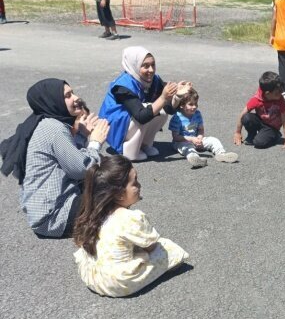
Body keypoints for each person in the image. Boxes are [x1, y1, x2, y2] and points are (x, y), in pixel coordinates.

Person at [0, 79, 109, 238]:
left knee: (107, 175)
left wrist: (80, 135)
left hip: (43, 212)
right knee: (116, 190)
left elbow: (69, 158)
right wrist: (95, 142)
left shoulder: (45, 123)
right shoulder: (54, 129)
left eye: (73, 93)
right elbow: (81, 169)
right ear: (53, 100)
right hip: (54, 216)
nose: (76, 98)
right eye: (68, 95)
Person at [73, 156, 189, 297]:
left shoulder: (95, 212)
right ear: (119, 194)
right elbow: (151, 246)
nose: (139, 186)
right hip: (117, 282)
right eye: (135, 183)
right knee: (168, 248)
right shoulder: (130, 218)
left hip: (93, 277)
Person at [99, 46, 180, 162]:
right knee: (150, 107)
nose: (151, 70)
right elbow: (141, 116)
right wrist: (163, 97)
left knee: (161, 112)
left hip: (131, 119)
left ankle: (144, 144)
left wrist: (178, 96)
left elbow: (169, 110)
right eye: (145, 66)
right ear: (134, 65)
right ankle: (129, 151)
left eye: (153, 65)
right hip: (114, 125)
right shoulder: (123, 85)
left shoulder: (154, 80)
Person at [169, 83, 238, 167]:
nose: (194, 107)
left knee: (213, 140)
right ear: (182, 105)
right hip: (181, 142)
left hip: (196, 139)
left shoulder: (197, 114)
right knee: (188, 148)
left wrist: (199, 138)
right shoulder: (177, 118)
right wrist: (192, 139)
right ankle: (195, 159)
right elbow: (175, 137)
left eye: (196, 104)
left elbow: (201, 129)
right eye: (191, 104)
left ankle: (221, 154)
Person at [233, 72, 285, 150]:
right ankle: (252, 135)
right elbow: (242, 114)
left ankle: (275, 136)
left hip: (272, 127)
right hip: (261, 121)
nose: (280, 94)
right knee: (246, 117)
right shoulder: (257, 99)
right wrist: (238, 132)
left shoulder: (280, 99)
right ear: (267, 93)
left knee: (258, 143)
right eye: (277, 93)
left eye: (281, 91)